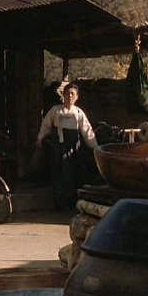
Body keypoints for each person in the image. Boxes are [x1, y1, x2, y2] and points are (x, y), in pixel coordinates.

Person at [35, 83, 97, 211]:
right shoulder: (55, 110)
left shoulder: (78, 113)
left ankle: (72, 203)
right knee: (58, 175)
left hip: (73, 150)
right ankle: (60, 204)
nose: (70, 96)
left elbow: (87, 130)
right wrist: (40, 137)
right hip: (58, 149)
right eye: (68, 93)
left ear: (77, 97)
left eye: (72, 94)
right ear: (63, 95)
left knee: (73, 175)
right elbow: (46, 125)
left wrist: (95, 147)